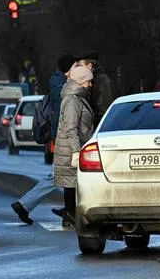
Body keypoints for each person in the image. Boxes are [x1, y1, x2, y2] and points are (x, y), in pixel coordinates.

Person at [10, 53, 75, 225]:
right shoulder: (61, 87)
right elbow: (61, 116)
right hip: (62, 138)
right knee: (58, 176)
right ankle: (24, 205)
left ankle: (71, 209)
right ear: (68, 69)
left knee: (62, 176)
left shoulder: (58, 83)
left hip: (60, 137)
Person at [52, 63, 96, 228]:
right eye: (88, 82)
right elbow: (71, 129)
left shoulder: (77, 98)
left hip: (72, 148)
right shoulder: (72, 100)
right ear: (80, 81)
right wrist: (77, 152)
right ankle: (70, 216)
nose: (90, 85)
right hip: (71, 150)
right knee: (71, 185)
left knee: (73, 185)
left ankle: (71, 215)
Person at [75, 51, 114, 123]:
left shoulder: (102, 81)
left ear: (89, 66)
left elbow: (104, 110)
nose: (77, 69)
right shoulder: (91, 80)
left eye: (80, 66)